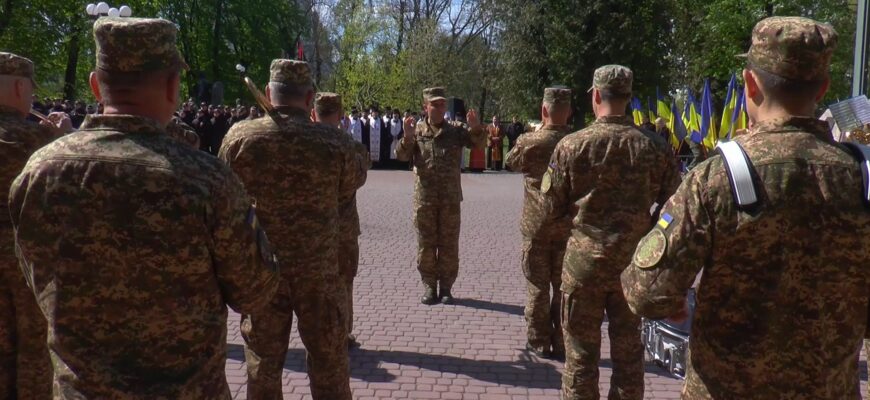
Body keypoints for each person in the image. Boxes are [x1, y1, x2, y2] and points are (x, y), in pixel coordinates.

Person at [9, 18, 280, 398]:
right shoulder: (208, 181)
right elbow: (257, 290)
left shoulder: (40, 173)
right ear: (172, 86)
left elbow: (34, 277)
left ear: (94, 84)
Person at [622, 17, 868, 400]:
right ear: (822, 88)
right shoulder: (863, 178)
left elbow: (646, 291)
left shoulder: (718, 177)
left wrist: (673, 307)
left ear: (750, 84)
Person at [219, 60, 366, 400]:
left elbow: (226, 191)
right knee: (329, 362)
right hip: (319, 274)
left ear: (269, 93)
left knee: (263, 366)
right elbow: (350, 186)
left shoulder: (241, 137)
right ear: (310, 98)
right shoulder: (335, 143)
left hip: (263, 271)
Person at [541, 65, 680, 400]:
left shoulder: (572, 145)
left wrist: (578, 233)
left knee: (580, 358)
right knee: (630, 357)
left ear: (596, 96)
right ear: (628, 98)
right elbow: (675, 211)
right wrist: (648, 237)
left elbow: (549, 209)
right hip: (633, 266)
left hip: (583, 265)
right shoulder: (655, 147)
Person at [0, 51, 67, 400]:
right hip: (24, 256)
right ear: (16, 88)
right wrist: (61, 138)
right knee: (33, 343)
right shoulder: (35, 142)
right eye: (29, 89)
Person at [396, 87, 486, 305]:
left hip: (449, 200)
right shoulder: (416, 130)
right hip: (424, 199)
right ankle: (429, 286)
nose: (440, 108)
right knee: (426, 244)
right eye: (435, 104)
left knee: (448, 245)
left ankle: (446, 287)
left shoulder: (455, 130)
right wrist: (407, 138)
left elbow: (479, 145)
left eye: (442, 104)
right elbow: (401, 156)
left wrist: (476, 129)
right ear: (425, 107)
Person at [504, 87, 573, 359]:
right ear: (568, 112)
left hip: (536, 227)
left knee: (537, 287)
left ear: (544, 110)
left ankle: (538, 341)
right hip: (568, 228)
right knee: (565, 288)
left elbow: (510, 163)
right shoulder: (577, 142)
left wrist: (533, 135)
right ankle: (562, 340)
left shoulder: (530, 142)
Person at [312, 92, 370, 347]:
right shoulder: (350, 145)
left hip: (312, 229)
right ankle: (343, 333)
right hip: (344, 228)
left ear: (313, 113)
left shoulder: (303, 143)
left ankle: (317, 334)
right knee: (344, 282)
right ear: (341, 116)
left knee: (315, 282)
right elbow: (361, 175)